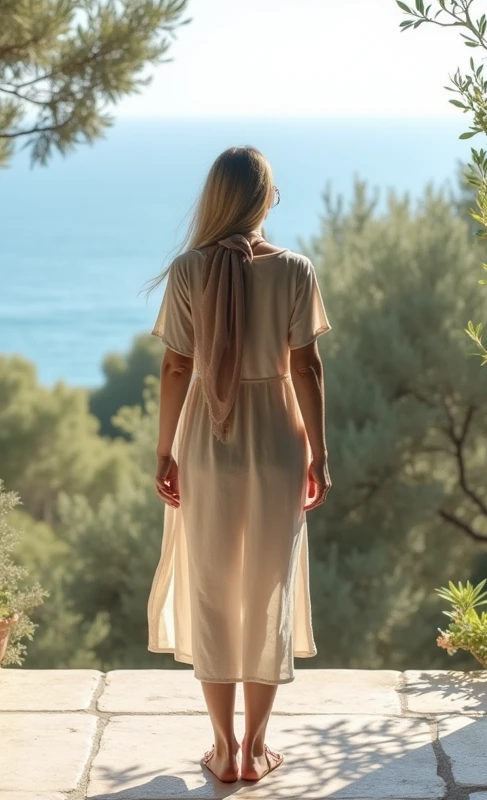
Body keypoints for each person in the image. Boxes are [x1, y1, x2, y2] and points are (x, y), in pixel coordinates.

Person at [146, 146, 331, 783]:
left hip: (207, 434)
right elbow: (306, 366)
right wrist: (319, 454)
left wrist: (165, 449)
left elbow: (175, 367)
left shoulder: (187, 270)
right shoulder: (296, 270)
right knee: (268, 587)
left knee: (213, 585)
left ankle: (222, 748)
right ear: (263, 200)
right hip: (279, 437)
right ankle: (256, 748)